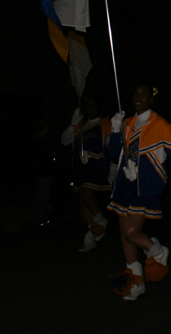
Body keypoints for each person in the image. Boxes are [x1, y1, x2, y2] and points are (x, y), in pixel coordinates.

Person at [105, 84, 171, 300]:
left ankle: (158, 251)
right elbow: (115, 153)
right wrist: (115, 130)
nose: (138, 97)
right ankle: (136, 283)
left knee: (131, 233)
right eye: (135, 93)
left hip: (147, 185)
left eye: (143, 94)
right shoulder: (127, 123)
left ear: (151, 100)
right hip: (126, 184)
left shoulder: (161, 124)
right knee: (124, 234)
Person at [60, 97, 112, 252]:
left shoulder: (105, 123)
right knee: (83, 202)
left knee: (85, 194)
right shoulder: (80, 126)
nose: (90, 110)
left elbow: (113, 145)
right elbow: (64, 141)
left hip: (98, 165)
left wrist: (114, 167)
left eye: (93, 106)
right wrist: (73, 124)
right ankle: (89, 237)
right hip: (83, 167)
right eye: (87, 107)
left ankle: (100, 220)